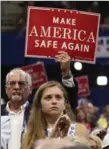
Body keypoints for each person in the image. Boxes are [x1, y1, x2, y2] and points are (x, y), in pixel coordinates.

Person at [1, 51, 78, 149]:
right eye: (12, 83)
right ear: (6, 88)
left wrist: (66, 72)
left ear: (30, 89)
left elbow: (68, 101)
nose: (16, 87)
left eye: (21, 83)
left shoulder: (38, 110)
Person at [22, 81, 88, 149]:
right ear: (40, 104)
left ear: (64, 104)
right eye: (48, 98)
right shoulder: (30, 135)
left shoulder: (80, 129)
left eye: (58, 97)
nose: (54, 101)